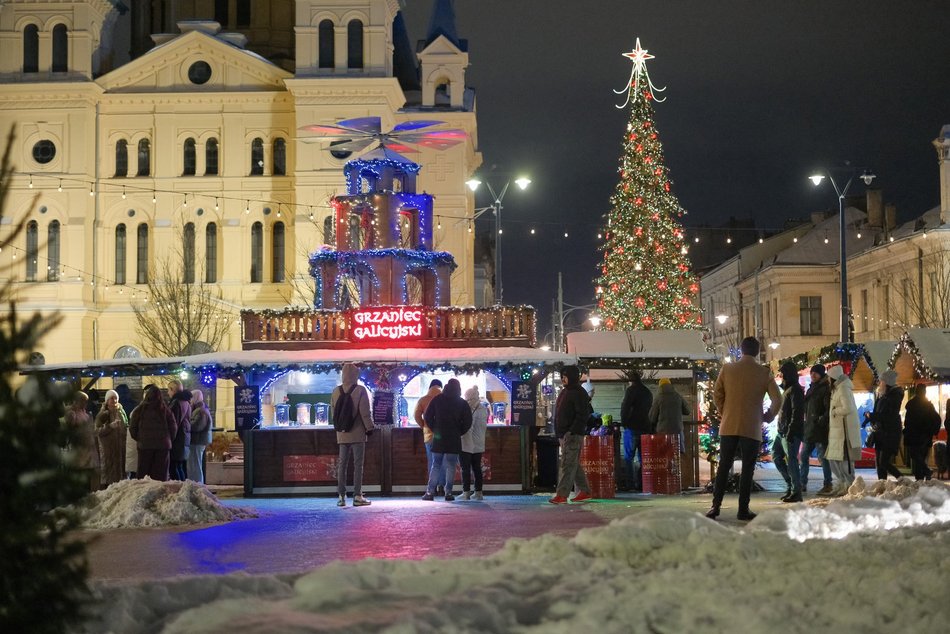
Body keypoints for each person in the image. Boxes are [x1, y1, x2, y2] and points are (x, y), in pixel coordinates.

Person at [707, 337, 782, 521]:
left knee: (724, 466)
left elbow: (717, 394)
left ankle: (715, 506)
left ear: (741, 350)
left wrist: (725, 411)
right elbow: (777, 399)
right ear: (757, 351)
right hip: (752, 426)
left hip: (729, 425)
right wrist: (768, 416)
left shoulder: (727, 369)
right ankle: (743, 509)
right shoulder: (764, 373)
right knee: (748, 469)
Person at [422, 378, 472, 501]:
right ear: (459, 388)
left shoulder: (437, 399)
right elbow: (468, 421)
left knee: (436, 465)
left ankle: (430, 492)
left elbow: (427, 416)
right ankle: (448, 493)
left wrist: (435, 429)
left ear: (446, 386)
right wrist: (459, 432)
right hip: (454, 439)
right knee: (451, 466)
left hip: (439, 438)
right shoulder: (462, 403)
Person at [550, 365, 594, 505]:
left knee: (567, 464)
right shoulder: (567, 391)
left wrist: (572, 431)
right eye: (562, 376)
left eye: (565, 376)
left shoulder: (578, 393)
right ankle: (585, 491)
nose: (563, 379)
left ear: (572, 377)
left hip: (572, 435)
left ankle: (562, 495)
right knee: (573, 463)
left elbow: (582, 415)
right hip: (565, 434)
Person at [332, 363, 374, 506]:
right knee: (358, 465)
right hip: (357, 433)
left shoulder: (335, 391)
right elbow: (365, 412)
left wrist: (340, 429)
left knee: (342, 465)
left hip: (342, 433)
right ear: (356, 374)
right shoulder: (360, 390)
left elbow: (333, 413)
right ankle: (357, 496)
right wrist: (369, 427)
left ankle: (341, 497)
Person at [825, 365, 862, 496]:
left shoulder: (843, 389)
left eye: (829, 378)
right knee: (834, 460)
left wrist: (835, 411)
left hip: (844, 432)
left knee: (844, 461)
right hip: (837, 431)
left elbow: (848, 408)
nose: (827, 380)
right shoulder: (837, 389)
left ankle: (848, 486)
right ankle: (841, 484)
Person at [129, 385, 177, 481]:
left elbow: (133, 428)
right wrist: (168, 439)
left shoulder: (139, 410)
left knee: (144, 475)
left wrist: (140, 438)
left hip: (145, 446)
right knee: (160, 475)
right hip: (163, 446)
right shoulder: (166, 410)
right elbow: (173, 428)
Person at [864, 370, 904, 481]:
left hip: (890, 433)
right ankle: (882, 484)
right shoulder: (883, 395)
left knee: (884, 462)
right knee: (879, 463)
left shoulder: (894, 396)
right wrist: (870, 418)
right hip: (880, 433)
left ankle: (902, 479)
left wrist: (872, 416)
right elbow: (879, 412)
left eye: (881, 380)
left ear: (886, 382)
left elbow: (888, 416)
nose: (879, 383)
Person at [801, 364, 833, 495]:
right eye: (811, 373)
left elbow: (828, 409)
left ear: (821, 374)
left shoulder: (825, 389)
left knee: (823, 458)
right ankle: (802, 483)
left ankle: (828, 483)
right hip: (809, 428)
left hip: (819, 429)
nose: (812, 375)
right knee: (804, 456)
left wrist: (820, 420)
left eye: (815, 373)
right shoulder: (811, 389)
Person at [774, 362, 804, 502]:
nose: (781, 375)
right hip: (782, 431)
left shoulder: (795, 389)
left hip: (789, 431)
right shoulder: (788, 389)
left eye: (783, 373)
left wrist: (791, 430)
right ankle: (791, 485)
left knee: (791, 460)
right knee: (776, 456)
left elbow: (797, 412)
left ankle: (796, 491)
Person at [620, 370, 653, 491]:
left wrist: (624, 422)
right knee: (643, 458)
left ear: (630, 381)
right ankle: (643, 483)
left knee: (629, 457)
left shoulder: (631, 390)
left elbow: (625, 407)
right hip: (645, 428)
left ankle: (630, 484)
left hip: (632, 427)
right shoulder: (647, 392)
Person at [903, 384, 940, 481]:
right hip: (925, 435)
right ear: (924, 392)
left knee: (915, 455)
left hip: (913, 435)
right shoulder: (928, 405)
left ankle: (922, 476)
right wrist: (933, 431)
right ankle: (924, 474)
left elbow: (908, 421)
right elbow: (937, 419)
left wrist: (906, 431)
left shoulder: (911, 404)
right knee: (922, 456)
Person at [65, 391, 99, 493]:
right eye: (83, 401)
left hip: (88, 450)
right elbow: (70, 429)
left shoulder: (86, 414)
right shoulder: (72, 413)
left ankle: (86, 494)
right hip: (79, 450)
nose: (85, 403)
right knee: (79, 476)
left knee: (87, 476)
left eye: (86, 401)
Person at [414, 378, 444, 494]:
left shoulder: (423, 400)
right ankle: (442, 486)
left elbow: (416, 415)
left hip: (429, 436)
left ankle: (432, 488)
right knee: (443, 462)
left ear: (429, 387)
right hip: (443, 435)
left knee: (432, 461)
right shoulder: (445, 400)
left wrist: (423, 425)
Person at [461, 386, 489, 500]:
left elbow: (469, 427)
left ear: (470, 397)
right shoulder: (483, 408)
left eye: (466, 398)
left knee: (465, 468)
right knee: (477, 468)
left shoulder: (472, 409)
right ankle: (478, 492)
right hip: (479, 443)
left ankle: (466, 492)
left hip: (468, 443)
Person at [95, 389, 127, 488]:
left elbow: (126, 426)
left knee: (120, 472)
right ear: (107, 400)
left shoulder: (121, 412)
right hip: (108, 448)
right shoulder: (103, 414)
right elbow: (97, 431)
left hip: (120, 447)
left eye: (115, 398)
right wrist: (110, 427)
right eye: (111, 398)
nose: (114, 400)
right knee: (109, 473)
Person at [648, 378, 689, 452]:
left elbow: (652, 417)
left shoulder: (658, 398)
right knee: (678, 453)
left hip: (663, 432)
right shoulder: (678, 396)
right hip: (678, 431)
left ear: (660, 387)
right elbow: (687, 411)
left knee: (664, 454)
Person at [167, 380, 192, 481]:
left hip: (177, 440)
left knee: (174, 467)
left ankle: (179, 487)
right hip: (183, 438)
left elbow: (173, 423)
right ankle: (183, 486)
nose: (167, 393)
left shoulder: (176, 403)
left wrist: (169, 438)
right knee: (179, 466)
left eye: (168, 390)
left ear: (172, 390)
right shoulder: (186, 402)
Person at [188, 389, 213, 484]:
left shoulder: (200, 411)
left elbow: (197, 426)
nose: (190, 400)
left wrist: (186, 423)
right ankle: (196, 484)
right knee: (195, 465)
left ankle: (197, 484)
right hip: (197, 441)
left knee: (195, 466)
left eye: (191, 398)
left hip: (197, 441)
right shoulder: (200, 410)